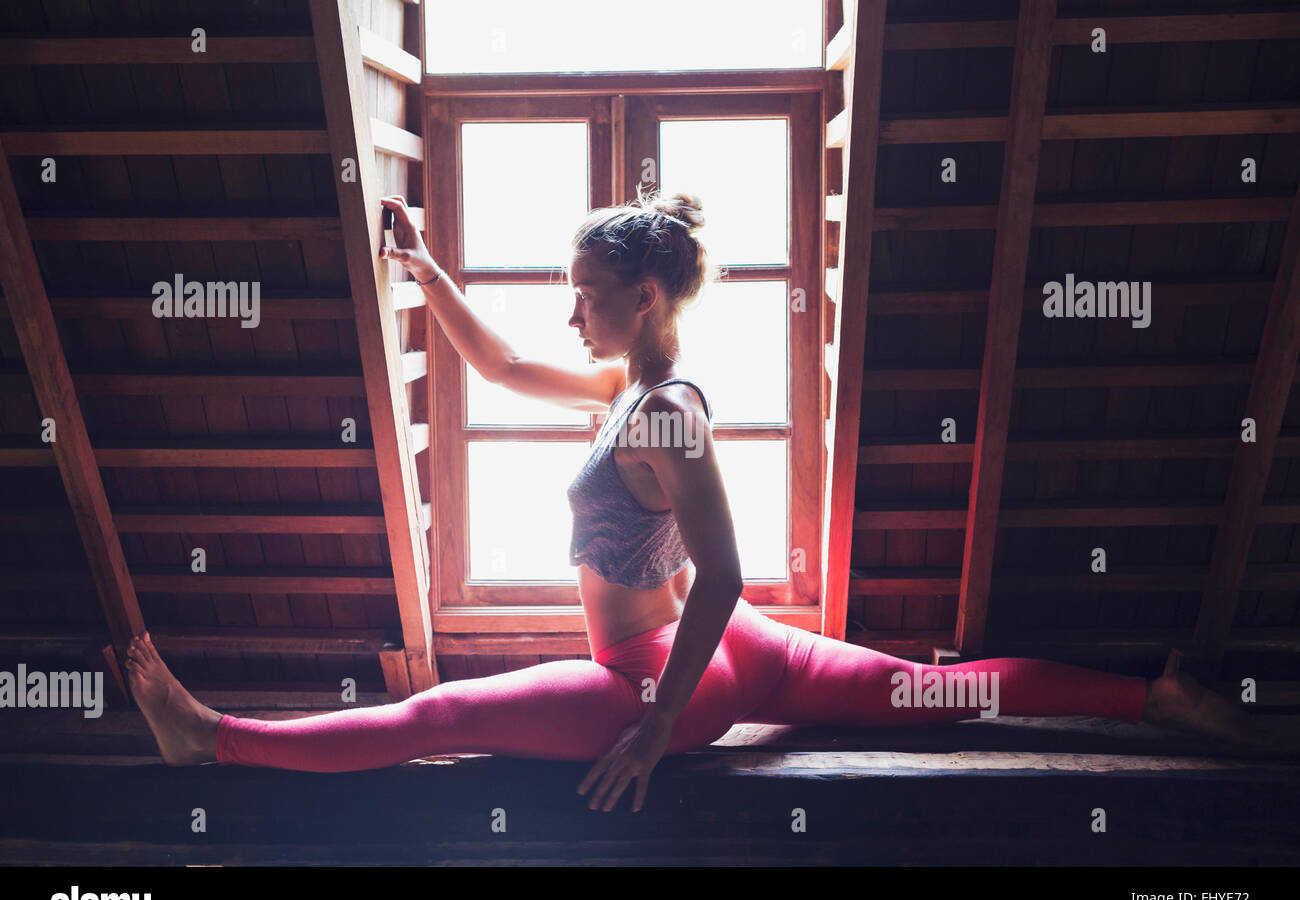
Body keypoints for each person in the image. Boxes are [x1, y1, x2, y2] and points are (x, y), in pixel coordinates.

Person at [125, 186, 1276, 812]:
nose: (570, 313)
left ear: (641, 292)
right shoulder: (633, 385)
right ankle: (1155, 698)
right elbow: (505, 371)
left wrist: (655, 726)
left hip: (664, 672)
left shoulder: (666, 410)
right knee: (939, 688)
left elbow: (722, 572)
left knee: (442, 720)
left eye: (584, 294)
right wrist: (428, 274)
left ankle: (214, 744)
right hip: (743, 657)